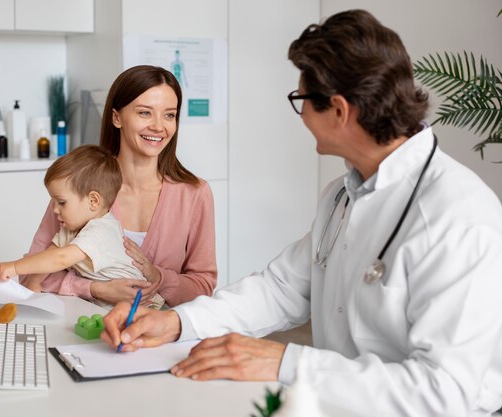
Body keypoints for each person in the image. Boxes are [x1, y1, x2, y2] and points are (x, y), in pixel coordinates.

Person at [101, 10, 502, 417]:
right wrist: (178, 324)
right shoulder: (343, 195)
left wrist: (285, 362)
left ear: (340, 111)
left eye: (302, 101)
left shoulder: (458, 215)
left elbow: (444, 392)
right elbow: (281, 288)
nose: (303, 116)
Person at [22, 65, 217, 308]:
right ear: (116, 117)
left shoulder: (195, 194)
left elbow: (203, 285)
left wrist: (160, 279)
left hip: (160, 337)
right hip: (86, 334)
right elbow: (32, 271)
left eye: (169, 115)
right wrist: (96, 289)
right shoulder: (79, 184)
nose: (159, 126)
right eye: (145, 113)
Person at [0, 145, 164, 309]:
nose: (54, 210)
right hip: (106, 307)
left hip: (141, 306)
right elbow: (48, 257)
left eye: (61, 202)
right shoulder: (70, 229)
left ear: (93, 201)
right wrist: (32, 285)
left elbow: (60, 259)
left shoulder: (102, 230)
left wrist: (15, 267)